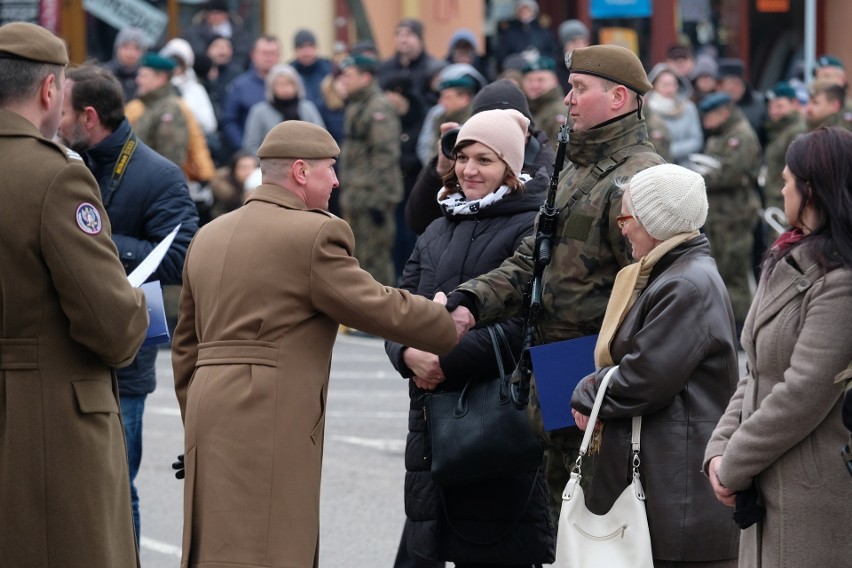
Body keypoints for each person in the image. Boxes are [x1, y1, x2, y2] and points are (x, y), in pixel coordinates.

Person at [171, 120, 474, 568]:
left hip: (206, 411)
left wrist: (195, 416)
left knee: (218, 546)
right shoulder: (313, 234)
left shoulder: (208, 236)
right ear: (299, 172)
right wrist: (444, 320)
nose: (335, 180)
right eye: (329, 169)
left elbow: (185, 348)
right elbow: (376, 305)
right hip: (268, 411)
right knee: (272, 545)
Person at [445, 44, 666, 517]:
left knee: (597, 519)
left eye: (579, 89)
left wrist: (615, 382)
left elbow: (654, 297)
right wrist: (471, 300)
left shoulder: (641, 178)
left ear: (618, 97)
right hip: (557, 359)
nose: (567, 98)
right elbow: (535, 257)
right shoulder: (576, 165)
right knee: (559, 513)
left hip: (597, 368)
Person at [0, 22, 148, 566]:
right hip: (48, 424)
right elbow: (110, 325)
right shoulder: (56, 177)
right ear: (48, 91)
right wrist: (136, 309)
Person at [387, 109, 554, 568]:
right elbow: (396, 308)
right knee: (428, 541)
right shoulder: (438, 229)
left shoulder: (532, 226)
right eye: (462, 157)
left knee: (495, 548)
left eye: (485, 159)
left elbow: (531, 322)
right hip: (429, 422)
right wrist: (406, 353)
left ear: (511, 167)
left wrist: (447, 360)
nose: (469, 170)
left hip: (495, 418)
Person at [57, 64, 200, 545]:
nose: (54, 118)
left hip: (128, 355)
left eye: (63, 110)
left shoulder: (158, 174)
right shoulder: (59, 161)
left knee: (119, 489)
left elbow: (183, 256)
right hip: (64, 349)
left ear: (89, 117)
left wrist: (96, 241)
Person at [570, 164, 739, 567]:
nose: (621, 227)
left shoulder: (683, 283)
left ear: (655, 223)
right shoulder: (676, 274)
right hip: (670, 479)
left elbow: (644, 378)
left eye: (627, 217)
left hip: (676, 489)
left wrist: (586, 392)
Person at [705, 127, 852, 567]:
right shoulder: (788, 258)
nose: (780, 188)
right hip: (766, 476)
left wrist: (734, 462)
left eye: (788, 181)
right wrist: (719, 448)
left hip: (812, 491)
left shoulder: (841, 281)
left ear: (812, 191)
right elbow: (755, 371)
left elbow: (805, 390)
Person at [405, 78, 556, 235]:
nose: (470, 170)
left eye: (484, 160)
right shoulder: (469, 166)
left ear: (525, 132)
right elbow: (419, 223)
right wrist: (440, 171)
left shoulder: (548, 175)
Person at [694, 92, 761, 334]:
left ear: (723, 113)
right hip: (719, 215)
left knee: (734, 271)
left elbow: (732, 173)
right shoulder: (720, 136)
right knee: (721, 267)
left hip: (735, 215)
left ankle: (739, 324)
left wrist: (701, 176)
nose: (705, 123)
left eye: (708, 117)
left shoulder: (740, 136)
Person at [338, 53, 404, 286]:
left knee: (374, 262)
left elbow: (385, 156)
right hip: (357, 197)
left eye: (349, 76)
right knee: (358, 260)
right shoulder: (357, 105)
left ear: (366, 77)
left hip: (372, 199)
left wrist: (380, 200)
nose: (343, 80)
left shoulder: (378, 107)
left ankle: (380, 320)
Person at [242, 63, 324, 155]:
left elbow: (321, 138)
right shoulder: (259, 112)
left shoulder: (308, 108)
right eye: (280, 84)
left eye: (289, 83)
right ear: (271, 87)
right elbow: (251, 145)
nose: (285, 88)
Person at [222, 35, 282, 151]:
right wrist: (245, 151)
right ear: (253, 55)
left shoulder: (292, 83)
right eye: (264, 53)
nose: (269, 58)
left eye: (273, 53)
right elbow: (229, 122)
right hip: (251, 155)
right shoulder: (240, 86)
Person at [646, 63, 703, 166]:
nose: (670, 89)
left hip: (687, 167)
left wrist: (669, 151)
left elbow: (696, 140)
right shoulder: (647, 110)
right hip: (657, 167)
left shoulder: (688, 107)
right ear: (654, 86)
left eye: (674, 84)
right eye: (665, 84)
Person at [377, 18, 441, 107]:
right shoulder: (385, 67)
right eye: (399, 34)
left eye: (409, 35)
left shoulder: (432, 68)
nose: (403, 40)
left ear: (420, 39)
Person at [762, 81, 805, 212]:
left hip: (788, 201)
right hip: (777, 198)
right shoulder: (779, 130)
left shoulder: (797, 130)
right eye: (771, 107)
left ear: (795, 104)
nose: (774, 111)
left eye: (779, 106)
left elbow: (799, 170)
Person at [183, 0, 252, 70]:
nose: (215, 17)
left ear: (226, 14)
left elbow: (242, 54)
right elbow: (195, 51)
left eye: (219, 13)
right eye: (212, 13)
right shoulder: (196, 31)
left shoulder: (238, 32)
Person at [494, 0, 559, 74]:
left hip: (541, 70)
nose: (524, 13)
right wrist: (519, 57)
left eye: (527, 10)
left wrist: (539, 56)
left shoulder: (544, 31)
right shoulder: (509, 32)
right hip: (516, 72)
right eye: (521, 10)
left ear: (534, 11)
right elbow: (501, 56)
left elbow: (553, 52)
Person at [521, 55, 567, 146]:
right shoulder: (527, 107)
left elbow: (560, 150)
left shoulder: (559, 111)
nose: (534, 86)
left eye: (540, 80)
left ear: (554, 81)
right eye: (530, 80)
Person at [100, 26, 148, 102]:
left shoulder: (146, 78)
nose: (130, 53)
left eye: (136, 48)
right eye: (125, 47)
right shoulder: (103, 74)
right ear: (117, 49)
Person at [209, 149, 258, 218]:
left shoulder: (258, 186)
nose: (247, 173)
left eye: (250, 168)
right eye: (243, 168)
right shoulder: (224, 189)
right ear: (234, 169)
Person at [555, 19, 589, 92]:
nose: (580, 46)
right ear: (564, 44)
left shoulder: (593, 66)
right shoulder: (556, 68)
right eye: (574, 42)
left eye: (583, 41)